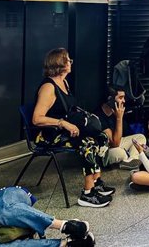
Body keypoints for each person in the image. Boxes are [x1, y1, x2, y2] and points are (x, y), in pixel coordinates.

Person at [32, 48, 114, 208]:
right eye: (68, 60)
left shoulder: (64, 82)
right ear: (60, 64)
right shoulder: (48, 88)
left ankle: (96, 181)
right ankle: (88, 193)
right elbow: (37, 118)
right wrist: (63, 123)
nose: (70, 62)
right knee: (88, 143)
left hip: (66, 129)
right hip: (50, 134)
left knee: (102, 137)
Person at [95, 86, 147, 170]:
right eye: (120, 98)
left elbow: (124, 135)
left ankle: (131, 160)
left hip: (118, 142)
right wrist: (119, 118)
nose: (124, 101)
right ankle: (129, 159)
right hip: (105, 150)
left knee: (140, 137)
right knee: (121, 153)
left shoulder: (115, 111)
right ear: (110, 99)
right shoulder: (99, 116)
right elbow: (115, 144)